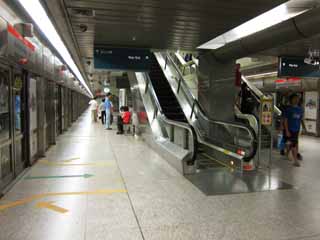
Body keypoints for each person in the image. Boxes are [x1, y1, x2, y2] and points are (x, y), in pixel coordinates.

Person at [284, 94, 305, 167]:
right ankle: (295, 161)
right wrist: (286, 130)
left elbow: (301, 119)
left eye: (297, 98)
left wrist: (304, 128)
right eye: (294, 98)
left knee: (290, 143)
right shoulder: (288, 109)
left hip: (297, 130)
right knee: (294, 145)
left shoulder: (300, 109)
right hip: (290, 129)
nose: (296, 100)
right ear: (291, 100)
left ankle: (286, 154)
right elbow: (285, 121)